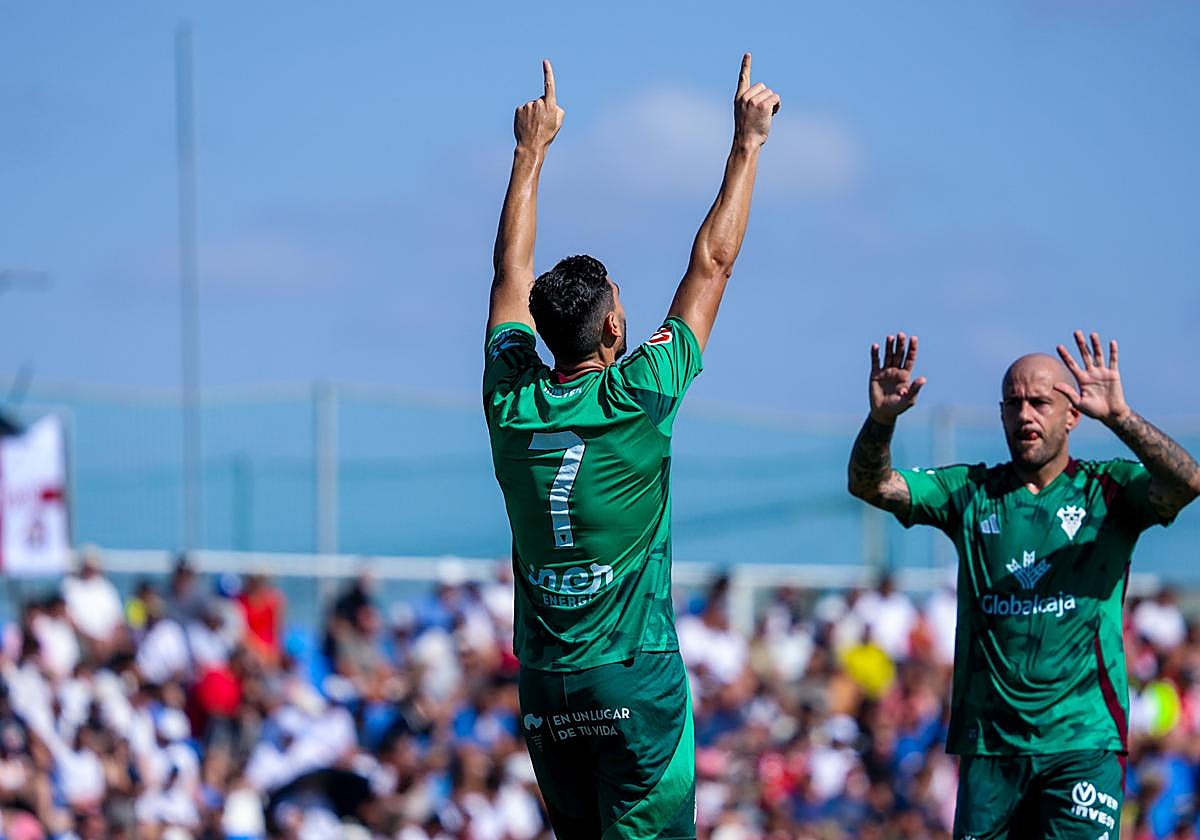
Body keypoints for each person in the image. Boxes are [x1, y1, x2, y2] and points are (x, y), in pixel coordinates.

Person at [483, 55, 780, 839]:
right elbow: (712, 264)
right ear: (615, 328)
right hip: (634, 679)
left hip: (548, 688)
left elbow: (507, 276)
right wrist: (747, 143)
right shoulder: (638, 396)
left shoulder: (510, 401)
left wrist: (530, 153)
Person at [847, 330, 1200, 839]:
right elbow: (871, 484)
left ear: (1072, 414)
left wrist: (1122, 417)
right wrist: (881, 421)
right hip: (991, 745)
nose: (1026, 415)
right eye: (1013, 404)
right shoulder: (969, 492)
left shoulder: (1109, 491)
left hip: (1081, 741)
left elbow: (1187, 482)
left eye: (1039, 402)